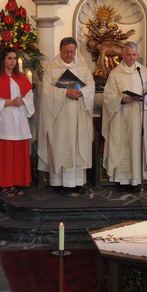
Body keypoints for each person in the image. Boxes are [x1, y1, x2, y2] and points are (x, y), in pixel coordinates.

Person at [37, 37, 95, 193]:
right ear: (60, 50)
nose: (70, 55)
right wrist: (65, 93)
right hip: (60, 117)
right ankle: (60, 183)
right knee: (60, 146)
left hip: (79, 115)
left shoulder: (82, 66)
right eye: (67, 51)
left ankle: (78, 183)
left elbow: (91, 86)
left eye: (72, 52)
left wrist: (81, 92)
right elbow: (46, 92)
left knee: (78, 146)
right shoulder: (52, 67)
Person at [101, 42, 147, 188]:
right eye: (129, 55)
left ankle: (137, 180)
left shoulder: (144, 72)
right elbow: (108, 96)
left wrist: (144, 98)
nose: (132, 58)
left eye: (134, 55)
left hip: (139, 116)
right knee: (122, 146)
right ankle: (122, 181)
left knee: (138, 145)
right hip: (121, 117)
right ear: (123, 55)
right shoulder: (115, 73)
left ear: (137, 55)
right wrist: (121, 100)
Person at [0, 46, 34, 197]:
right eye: (9, 58)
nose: (13, 61)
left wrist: (22, 101)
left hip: (18, 120)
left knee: (17, 153)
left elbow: (29, 95)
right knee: (4, 154)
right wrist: (9, 102)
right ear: (3, 60)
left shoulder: (20, 77)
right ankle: (4, 184)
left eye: (14, 58)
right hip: (3, 121)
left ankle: (15, 183)